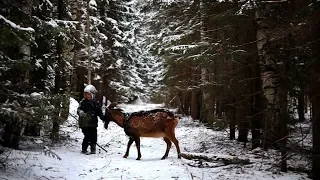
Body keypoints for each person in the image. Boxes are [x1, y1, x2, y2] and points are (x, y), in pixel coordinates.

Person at [77, 85, 104, 154]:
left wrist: (103, 117)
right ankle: (84, 149)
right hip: (85, 123)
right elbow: (79, 109)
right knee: (87, 136)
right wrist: (80, 112)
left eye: (89, 94)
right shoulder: (83, 103)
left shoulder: (96, 103)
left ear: (93, 95)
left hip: (93, 123)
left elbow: (99, 112)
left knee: (94, 136)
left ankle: (93, 148)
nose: (87, 96)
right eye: (86, 94)